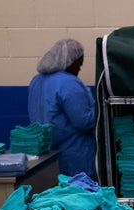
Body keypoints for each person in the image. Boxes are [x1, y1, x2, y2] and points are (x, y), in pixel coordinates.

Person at [27, 39, 96, 178]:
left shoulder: (36, 80)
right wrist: (100, 107)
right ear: (69, 60)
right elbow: (84, 121)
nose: (79, 68)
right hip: (74, 157)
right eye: (79, 63)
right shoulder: (68, 82)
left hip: (46, 157)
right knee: (79, 195)